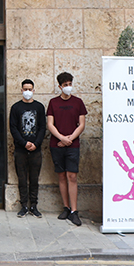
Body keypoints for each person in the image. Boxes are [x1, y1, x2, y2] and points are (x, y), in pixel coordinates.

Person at [46, 72, 87, 227]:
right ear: (59, 86)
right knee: (61, 176)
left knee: (72, 176)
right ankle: (66, 207)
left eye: (70, 84)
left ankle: (74, 211)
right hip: (57, 144)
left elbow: (81, 124)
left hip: (73, 145)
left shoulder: (78, 102)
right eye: (65, 85)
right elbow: (50, 124)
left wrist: (69, 138)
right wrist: (62, 138)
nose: (68, 87)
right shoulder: (53, 102)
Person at [9, 79, 46, 218]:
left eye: (30, 89)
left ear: (34, 90)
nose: (27, 91)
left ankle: (34, 206)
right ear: (21, 90)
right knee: (22, 179)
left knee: (34, 179)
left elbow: (43, 127)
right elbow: (13, 128)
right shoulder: (16, 107)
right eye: (25, 89)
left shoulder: (39, 107)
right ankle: (23, 206)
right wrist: (24, 143)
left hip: (36, 150)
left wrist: (36, 143)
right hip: (20, 150)